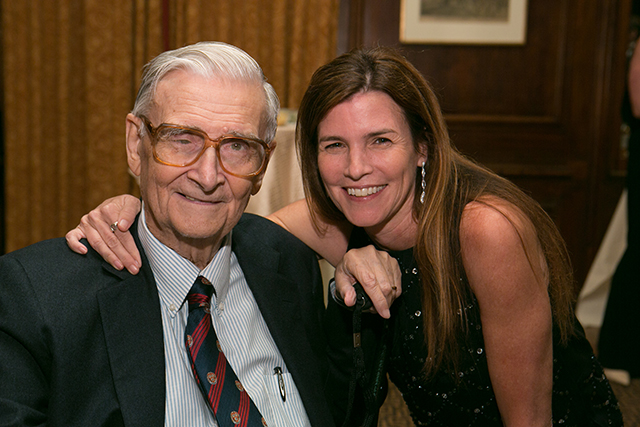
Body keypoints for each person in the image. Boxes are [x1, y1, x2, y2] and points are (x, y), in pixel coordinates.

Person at [66, 47, 623, 426]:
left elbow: (529, 420)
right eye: (334, 145)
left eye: (380, 140)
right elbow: (226, 221)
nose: (357, 168)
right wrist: (135, 205)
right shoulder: (341, 220)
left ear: (423, 146)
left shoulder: (485, 231)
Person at [0, 41, 399, 427]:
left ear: (263, 166)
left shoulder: (288, 261)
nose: (208, 177)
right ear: (135, 143)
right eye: (182, 139)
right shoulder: (37, 298)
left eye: (237, 146)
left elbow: (337, 406)